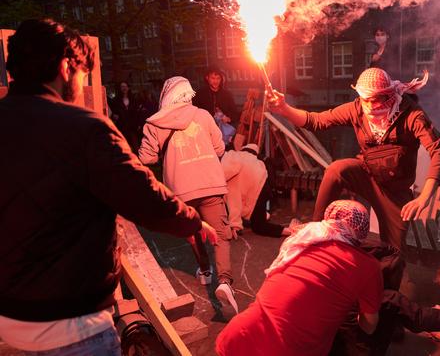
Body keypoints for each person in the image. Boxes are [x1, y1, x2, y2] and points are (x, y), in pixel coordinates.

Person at [0, 19, 216, 355]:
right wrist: (190, 222)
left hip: (9, 316)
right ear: (65, 67)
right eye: (83, 72)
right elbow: (142, 195)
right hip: (71, 322)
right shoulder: (84, 128)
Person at [267, 67, 440, 250]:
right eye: (365, 100)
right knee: (337, 169)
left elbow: (439, 151)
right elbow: (317, 121)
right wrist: (284, 108)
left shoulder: (412, 115)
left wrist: (424, 197)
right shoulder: (357, 109)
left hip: (395, 190)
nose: (368, 107)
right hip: (367, 174)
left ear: (388, 96)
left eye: (374, 101)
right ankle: (316, 227)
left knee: (393, 253)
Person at [216, 200, 383, 356]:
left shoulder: (302, 241)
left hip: (240, 337)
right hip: (292, 350)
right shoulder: (368, 266)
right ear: (362, 231)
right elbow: (369, 326)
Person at [138, 76, 238, 312]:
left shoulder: (154, 123)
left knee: (194, 230)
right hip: (210, 182)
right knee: (221, 234)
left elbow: (146, 158)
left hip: (180, 189)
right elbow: (219, 147)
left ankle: (205, 270)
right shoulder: (203, 116)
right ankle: (224, 281)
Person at [221, 143, 297, 237]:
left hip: (247, 192)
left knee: (256, 224)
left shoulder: (233, 155)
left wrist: (235, 225)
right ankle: (288, 231)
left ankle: (236, 227)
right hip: (261, 191)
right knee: (259, 224)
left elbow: (224, 175)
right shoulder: (259, 163)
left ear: (242, 149)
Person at [192, 67, 238, 146]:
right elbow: (194, 111)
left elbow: (235, 113)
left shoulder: (227, 94)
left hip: (223, 134)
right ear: (207, 78)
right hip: (205, 132)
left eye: (218, 78)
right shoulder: (200, 94)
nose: (216, 81)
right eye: (213, 78)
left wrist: (228, 118)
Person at [109, 80, 142, 149]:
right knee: (124, 146)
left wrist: (138, 124)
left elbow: (137, 112)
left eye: (125, 86)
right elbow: (112, 112)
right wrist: (114, 116)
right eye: (122, 87)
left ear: (128, 88)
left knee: (135, 145)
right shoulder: (116, 100)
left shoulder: (133, 99)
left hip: (132, 126)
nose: (124, 88)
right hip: (122, 126)